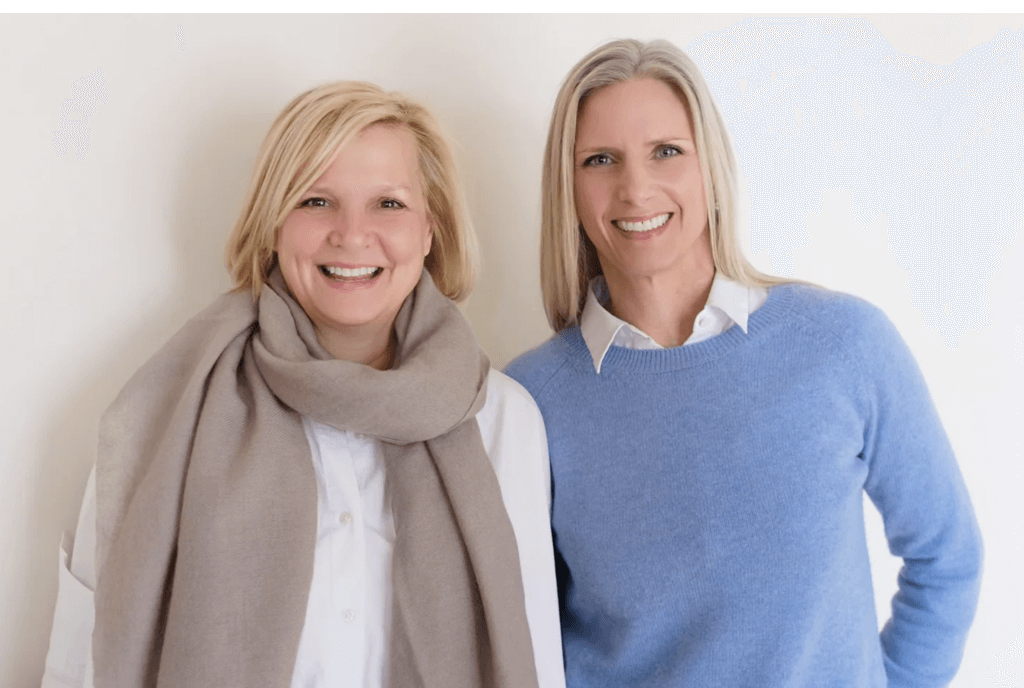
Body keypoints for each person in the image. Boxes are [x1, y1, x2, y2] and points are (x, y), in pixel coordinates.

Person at [42, 81, 565, 688]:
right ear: (273, 225)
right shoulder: (167, 410)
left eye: (388, 204)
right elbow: (82, 661)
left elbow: (535, 663)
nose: (351, 233)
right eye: (316, 201)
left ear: (430, 232)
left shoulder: (503, 421)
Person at [505, 38, 983, 687]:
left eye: (666, 152)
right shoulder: (527, 400)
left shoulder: (843, 345)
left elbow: (947, 558)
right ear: (569, 184)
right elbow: (524, 634)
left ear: (710, 167)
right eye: (600, 159)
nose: (635, 187)